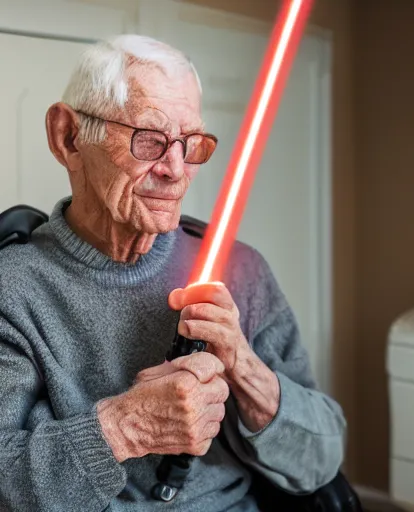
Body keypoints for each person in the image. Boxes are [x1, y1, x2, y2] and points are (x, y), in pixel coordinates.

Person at [0, 35, 346, 511]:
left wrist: (244, 367)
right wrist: (125, 427)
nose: (176, 170)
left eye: (191, 143)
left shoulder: (238, 269)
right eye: (150, 140)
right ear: (69, 137)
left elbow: (322, 458)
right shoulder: (12, 290)